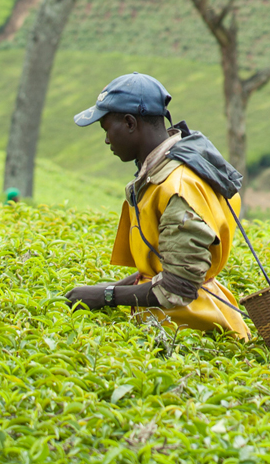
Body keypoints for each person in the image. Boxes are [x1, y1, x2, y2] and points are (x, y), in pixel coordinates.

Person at [64, 73, 250, 338]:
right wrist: (102, 289)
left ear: (130, 123)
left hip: (194, 330)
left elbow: (179, 287)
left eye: (107, 129)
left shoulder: (178, 186)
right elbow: (161, 269)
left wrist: (106, 295)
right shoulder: (169, 171)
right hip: (185, 320)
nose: (106, 140)